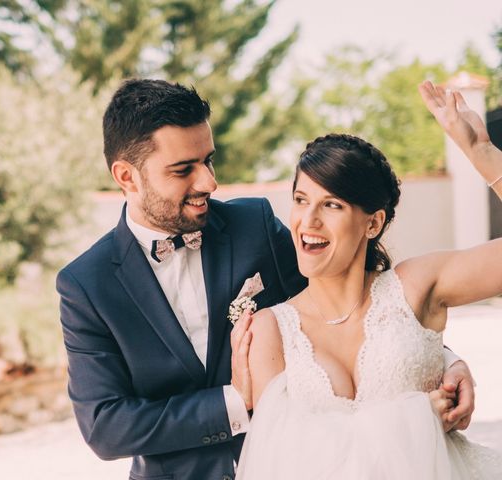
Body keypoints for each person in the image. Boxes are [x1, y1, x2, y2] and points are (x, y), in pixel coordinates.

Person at [56, 79, 475, 480]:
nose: (209, 182)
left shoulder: (253, 226)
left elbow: (343, 304)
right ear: (127, 176)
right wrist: (234, 402)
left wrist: (441, 358)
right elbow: (107, 426)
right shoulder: (86, 285)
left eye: (208, 160)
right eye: (184, 169)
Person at [231, 81, 502, 479]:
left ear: (372, 223)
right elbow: (283, 463)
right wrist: (416, 419)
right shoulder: (271, 329)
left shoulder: (415, 286)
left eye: (332, 205)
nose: (309, 221)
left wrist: (482, 154)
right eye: (301, 199)